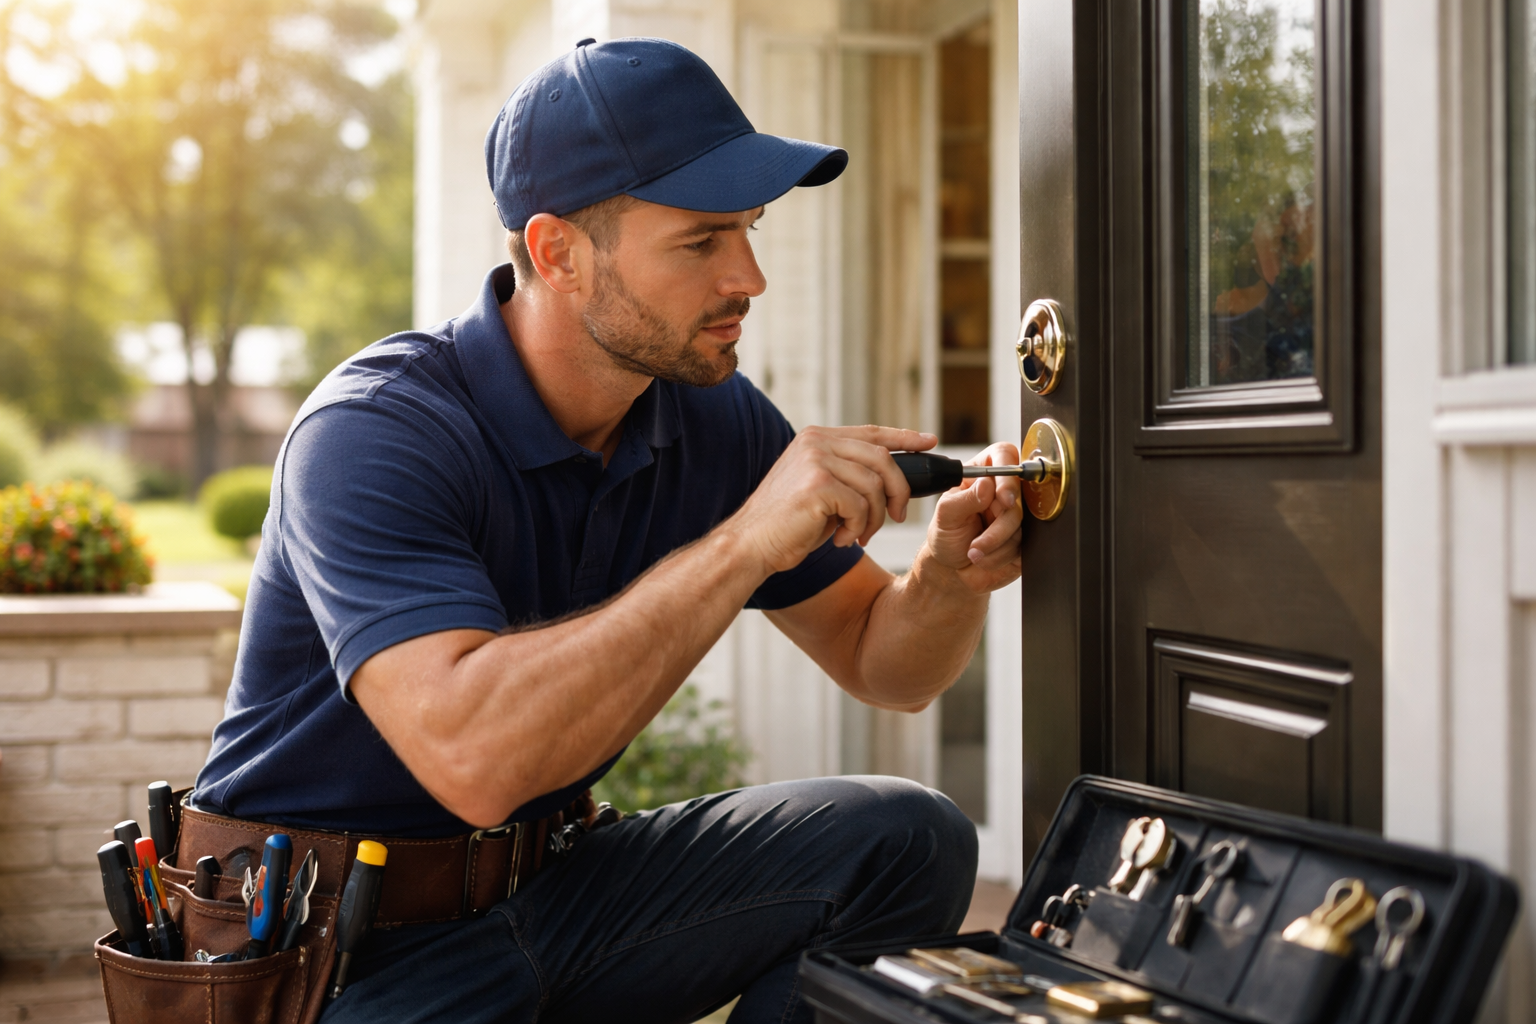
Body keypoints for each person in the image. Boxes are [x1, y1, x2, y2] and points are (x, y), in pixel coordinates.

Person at [192, 37, 1024, 1024]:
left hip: (558, 899)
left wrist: (943, 573)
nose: (749, 276)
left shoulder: (706, 416)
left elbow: (885, 662)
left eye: (748, 230)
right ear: (558, 253)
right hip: (343, 953)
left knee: (905, 839)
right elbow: (477, 764)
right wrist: (743, 541)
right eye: (700, 241)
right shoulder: (375, 431)